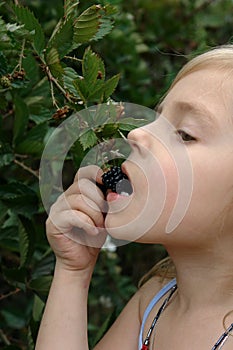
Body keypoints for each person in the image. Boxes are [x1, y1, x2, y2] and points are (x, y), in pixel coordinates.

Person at [35, 45, 233, 350]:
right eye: (158, 118)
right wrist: (72, 273)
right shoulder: (154, 304)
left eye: (184, 133)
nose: (137, 134)